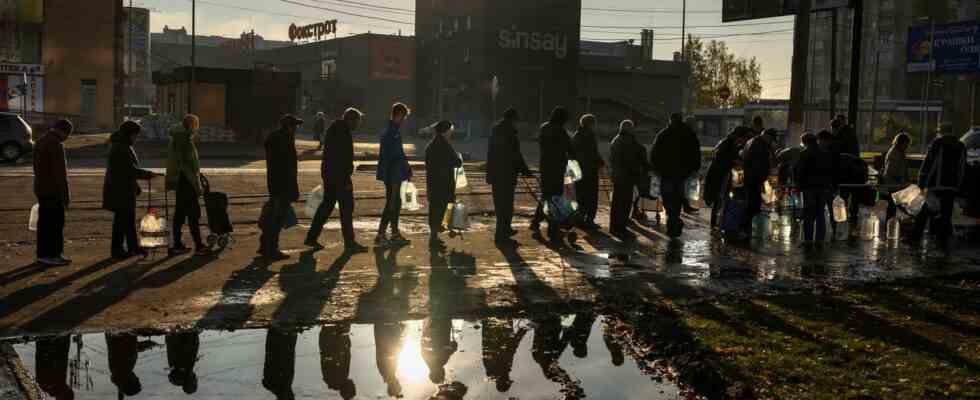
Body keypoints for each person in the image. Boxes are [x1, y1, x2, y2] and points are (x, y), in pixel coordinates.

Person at [306, 108, 368, 253]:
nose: (358, 125)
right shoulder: (343, 132)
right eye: (357, 121)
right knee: (346, 209)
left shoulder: (335, 129)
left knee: (326, 207)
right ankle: (350, 243)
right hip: (339, 177)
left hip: (330, 175)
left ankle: (311, 237)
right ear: (351, 120)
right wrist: (345, 178)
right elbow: (341, 158)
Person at [102, 121, 161, 260]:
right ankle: (118, 251)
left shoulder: (121, 145)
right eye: (136, 135)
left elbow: (126, 171)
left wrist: (136, 186)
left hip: (123, 189)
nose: (136, 138)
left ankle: (132, 247)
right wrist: (148, 174)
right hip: (120, 190)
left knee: (127, 221)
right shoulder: (121, 147)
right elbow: (129, 170)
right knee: (122, 222)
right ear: (130, 134)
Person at [910, 123, 967, 244]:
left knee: (924, 212)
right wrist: (958, 186)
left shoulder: (938, 143)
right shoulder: (960, 146)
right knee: (945, 215)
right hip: (951, 187)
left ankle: (915, 238)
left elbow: (929, 163)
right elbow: (962, 168)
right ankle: (941, 240)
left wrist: (922, 181)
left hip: (935, 185)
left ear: (941, 131)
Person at [258, 115, 303, 261]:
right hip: (283, 185)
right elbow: (288, 168)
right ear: (289, 126)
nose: (296, 128)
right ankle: (271, 249)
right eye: (295, 126)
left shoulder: (275, 138)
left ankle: (265, 246)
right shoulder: (285, 140)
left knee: (273, 217)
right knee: (276, 219)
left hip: (275, 183)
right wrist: (293, 190)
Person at [650, 113, 702, 238]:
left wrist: (656, 169)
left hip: (666, 173)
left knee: (668, 199)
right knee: (678, 199)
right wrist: (694, 169)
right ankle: (674, 221)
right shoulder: (689, 134)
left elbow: (654, 153)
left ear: (670, 120)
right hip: (683, 174)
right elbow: (696, 152)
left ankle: (672, 222)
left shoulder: (663, 134)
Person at [166, 114, 209, 257]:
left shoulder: (177, 139)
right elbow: (186, 165)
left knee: (179, 214)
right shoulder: (184, 141)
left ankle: (177, 245)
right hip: (186, 182)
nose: (196, 129)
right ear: (190, 125)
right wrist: (197, 185)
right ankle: (199, 246)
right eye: (195, 125)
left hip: (180, 181)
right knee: (193, 214)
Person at [486, 108, 531, 245]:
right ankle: (502, 234)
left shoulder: (495, 131)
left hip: (496, 174)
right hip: (507, 174)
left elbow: (491, 154)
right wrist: (525, 170)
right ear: (513, 120)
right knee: (506, 205)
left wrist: (489, 173)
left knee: (500, 205)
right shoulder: (510, 134)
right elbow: (515, 155)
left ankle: (504, 230)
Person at [530, 106, 573, 243]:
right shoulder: (560, 130)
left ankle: (536, 222)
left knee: (547, 195)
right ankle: (552, 229)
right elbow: (570, 147)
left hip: (545, 167)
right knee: (554, 198)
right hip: (557, 168)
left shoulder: (544, 128)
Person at [33, 119, 73, 266]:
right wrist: (66, 196)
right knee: (56, 224)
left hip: (41, 188)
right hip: (54, 190)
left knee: (44, 223)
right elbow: (60, 174)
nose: (67, 138)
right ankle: (54, 254)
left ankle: (42, 254)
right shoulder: (56, 145)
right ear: (63, 131)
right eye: (67, 134)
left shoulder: (41, 141)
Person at [376, 102, 413, 246]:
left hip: (394, 173)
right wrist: (405, 167)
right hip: (393, 175)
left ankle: (394, 233)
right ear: (398, 115)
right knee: (392, 204)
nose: (404, 120)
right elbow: (395, 155)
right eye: (403, 117)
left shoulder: (393, 130)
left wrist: (406, 168)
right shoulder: (391, 132)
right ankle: (381, 234)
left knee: (395, 203)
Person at [704, 126, 752, 229]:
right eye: (744, 138)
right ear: (739, 136)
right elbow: (723, 161)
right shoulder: (728, 145)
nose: (744, 141)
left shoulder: (730, 143)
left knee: (721, 200)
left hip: (723, 176)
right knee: (720, 200)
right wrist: (734, 162)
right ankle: (716, 225)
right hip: (721, 177)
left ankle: (718, 224)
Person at [425, 121, 463, 248]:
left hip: (433, 183)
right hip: (443, 184)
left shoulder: (431, 145)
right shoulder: (444, 145)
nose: (451, 133)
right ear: (445, 131)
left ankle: (434, 237)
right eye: (450, 130)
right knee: (439, 211)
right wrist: (459, 159)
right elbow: (456, 162)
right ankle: (434, 239)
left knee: (434, 211)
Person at [795, 131, 837, 247]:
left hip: (809, 189)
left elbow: (800, 172)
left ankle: (808, 240)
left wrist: (799, 185)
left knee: (808, 214)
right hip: (823, 188)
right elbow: (831, 172)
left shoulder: (804, 153)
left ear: (805, 143)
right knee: (820, 214)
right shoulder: (826, 153)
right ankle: (819, 240)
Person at [608, 120, 648, 237]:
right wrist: (641, 169)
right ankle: (621, 227)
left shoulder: (617, 139)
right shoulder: (628, 141)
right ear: (629, 129)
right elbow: (633, 158)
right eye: (632, 128)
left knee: (616, 203)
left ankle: (614, 227)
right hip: (626, 177)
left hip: (617, 176)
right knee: (624, 203)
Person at [740, 128, 778, 236]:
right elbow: (759, 165)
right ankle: (746, 229)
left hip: (750, 178)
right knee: (753, 205)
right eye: (771, 139)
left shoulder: (752, 141)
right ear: (767, 136)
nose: (771, 142)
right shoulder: (759, 145)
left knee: (752, 204)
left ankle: (746, 228)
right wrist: (763, 180)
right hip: (754, 180)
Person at [572, 114, 604, 230]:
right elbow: (593, 153)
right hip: (590, 170)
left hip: (579, 171)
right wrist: (601, 162)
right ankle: (589, 220)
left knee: (581, 196)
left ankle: (580, 219)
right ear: (591, 124)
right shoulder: (589, 136)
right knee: (591, 196)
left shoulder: (576, 135)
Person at [482, 317, 527, 393]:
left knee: (501, 311)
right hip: (490, 331)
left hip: (500, 331)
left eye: (508, 380)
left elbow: (511, 349)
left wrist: (523, 330)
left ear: (504, 380)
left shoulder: (502, 369)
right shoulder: (491, 370)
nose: (509, 378)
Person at [320, 323, 356, 400]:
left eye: (353, 386)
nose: (353, 383)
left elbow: (343, 355)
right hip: (328, 340)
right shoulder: (337, 380)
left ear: (347, 389)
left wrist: (345, 339)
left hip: (332, 338)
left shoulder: (339, 378)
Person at [881, 132, 911, 221]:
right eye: (907, 144)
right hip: (894, 185)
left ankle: (891, 222)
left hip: (896, 184)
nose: (907, 146)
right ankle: (890, 223)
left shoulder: (898, 152)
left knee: (894, 205)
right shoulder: (895, 153)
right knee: (894, 205)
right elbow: (891, 170)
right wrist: (902, 181)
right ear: (902, 142)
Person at [262, 328, 298, 400]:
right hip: (280, 341)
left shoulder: (277, 385)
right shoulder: (275, 385)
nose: (293, 395)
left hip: (280, 339)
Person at [35, 336, 73, 400]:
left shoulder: (52, 384)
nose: (69, 387)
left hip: (50, 343)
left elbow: (60, 359)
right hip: (48, 344)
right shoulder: (52, 386)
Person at [106, 332, 142, 397]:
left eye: (136, 380)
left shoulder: (124, 368)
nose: (138, 378)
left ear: (130, 381)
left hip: (121, 332)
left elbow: (129, 346)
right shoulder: (118, 373)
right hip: (116, 334)